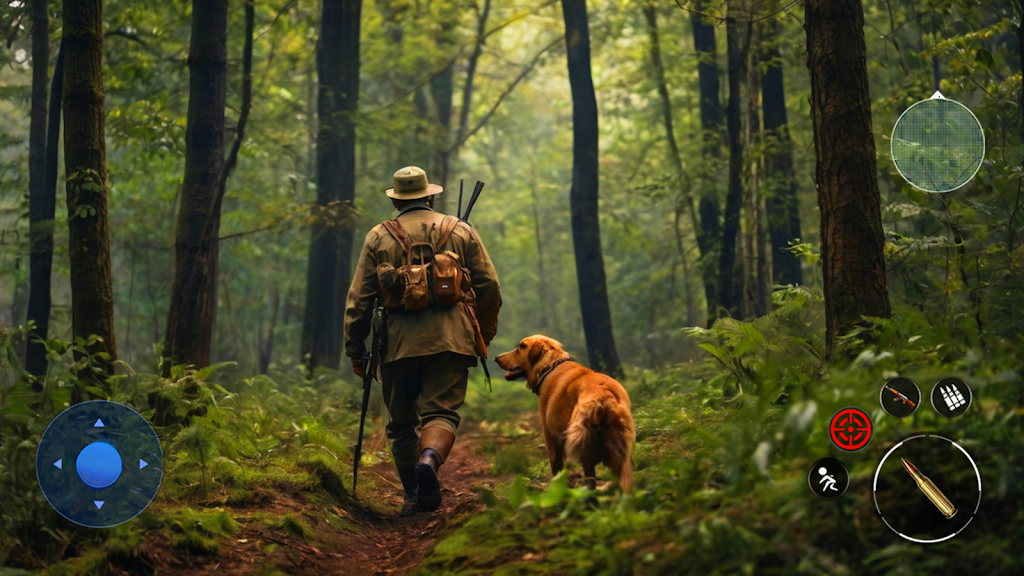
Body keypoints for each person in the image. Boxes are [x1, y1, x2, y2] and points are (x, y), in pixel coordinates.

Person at [344, 166, 501, 516]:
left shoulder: (377, 236)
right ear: (430, 195)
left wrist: (356, 348)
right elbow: (489, 286)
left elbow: (359, 298)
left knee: (401, 426)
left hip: (396, 343)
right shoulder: (460, 230)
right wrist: (481, 333)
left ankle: (413, 495)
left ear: (397, 200)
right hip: (451, 340)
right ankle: (429, 461)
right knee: (442, 413)